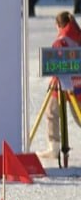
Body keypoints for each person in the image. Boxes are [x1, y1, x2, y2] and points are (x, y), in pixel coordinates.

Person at [43, 11, 81, 165]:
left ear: (58, 25)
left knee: (51, 112)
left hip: (62, 83)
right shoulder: (77, 35)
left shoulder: (61, 40)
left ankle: (54, 146)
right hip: (78, 84)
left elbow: (56, 63)